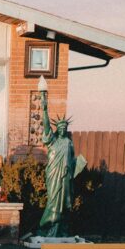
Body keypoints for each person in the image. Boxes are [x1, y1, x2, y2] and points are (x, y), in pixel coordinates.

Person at [37, 91, 82, 237]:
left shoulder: (69, 143)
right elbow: (46, 127)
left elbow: (73, 159)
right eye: (60, 128)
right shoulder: (52, 141)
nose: (62, 130)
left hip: (66, 176)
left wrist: (78, 166)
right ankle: (46, 226)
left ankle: (60, 229)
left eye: (65, 128)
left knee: (65, 203)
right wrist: (44, 109)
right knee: (53, 200)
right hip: (53, 175)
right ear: (57, 129)